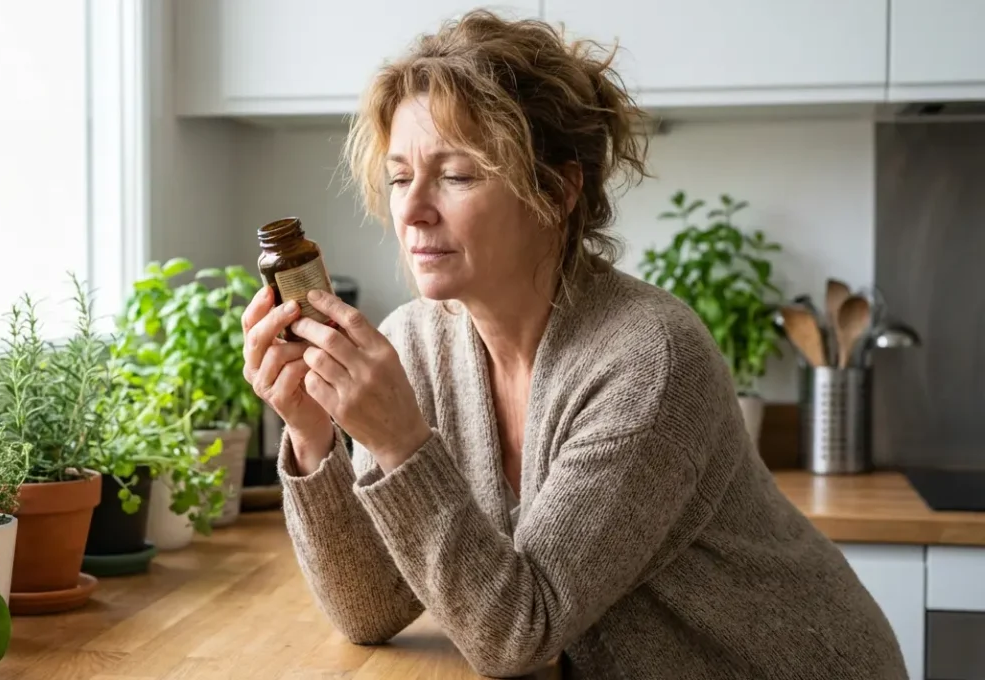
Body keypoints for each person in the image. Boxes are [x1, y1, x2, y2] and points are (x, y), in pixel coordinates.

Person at [240, 9, 907, 680]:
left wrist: (400, 443)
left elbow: (518, 634)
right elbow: (370, 607)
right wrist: (312, 432)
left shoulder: (648, 361)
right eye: (400, 176)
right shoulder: (414, 344)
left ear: (556, 192)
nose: (411, 211)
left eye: (457, 176)